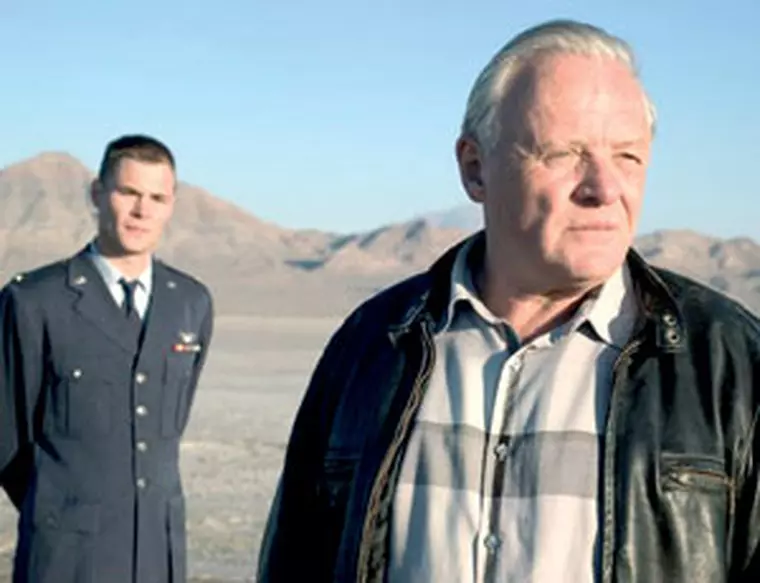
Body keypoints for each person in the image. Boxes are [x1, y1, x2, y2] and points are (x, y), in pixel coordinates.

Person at [256, 18, 760, 583]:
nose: (604, 189)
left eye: (627, 157)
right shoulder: (371, 348)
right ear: (475, 169)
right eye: (565, 153)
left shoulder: (732, 364)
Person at [0, 134, 214, 582]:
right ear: (97, 194)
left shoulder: (189, 303)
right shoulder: (35, 300)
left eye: (157, 198)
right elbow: (7, 440)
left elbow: (168, 429)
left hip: (157, 554)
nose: (142, 211)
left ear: (172, 205)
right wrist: (63, 508)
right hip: (65, 559)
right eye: (128, 192)